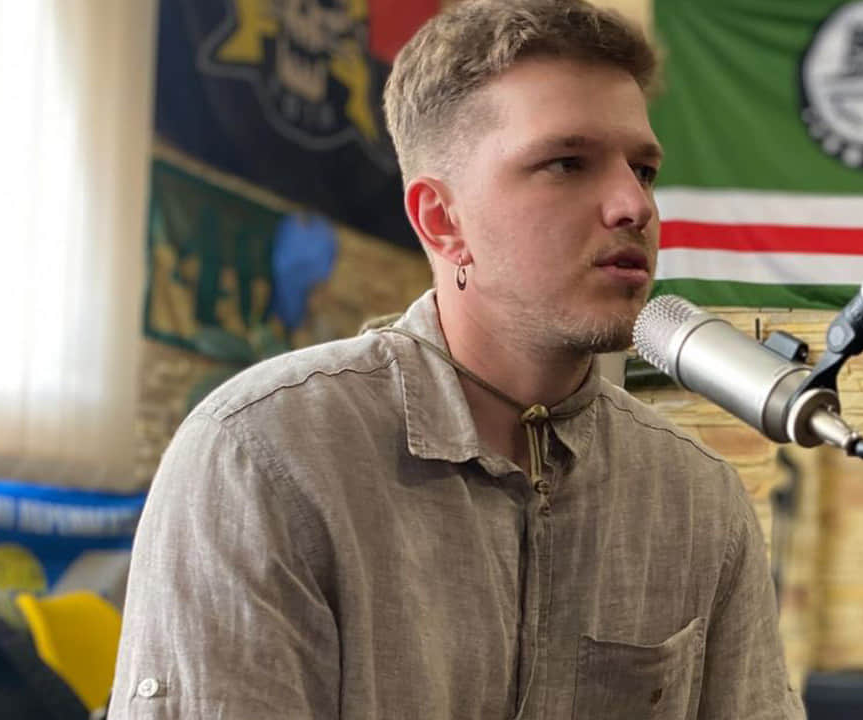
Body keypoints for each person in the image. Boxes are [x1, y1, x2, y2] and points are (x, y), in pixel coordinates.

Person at [108, 1, 804, 717]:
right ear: (442, 220)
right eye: (567, 163)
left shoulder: (697, 500)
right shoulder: (263, 457)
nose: (635, 205)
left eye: (644, 170)